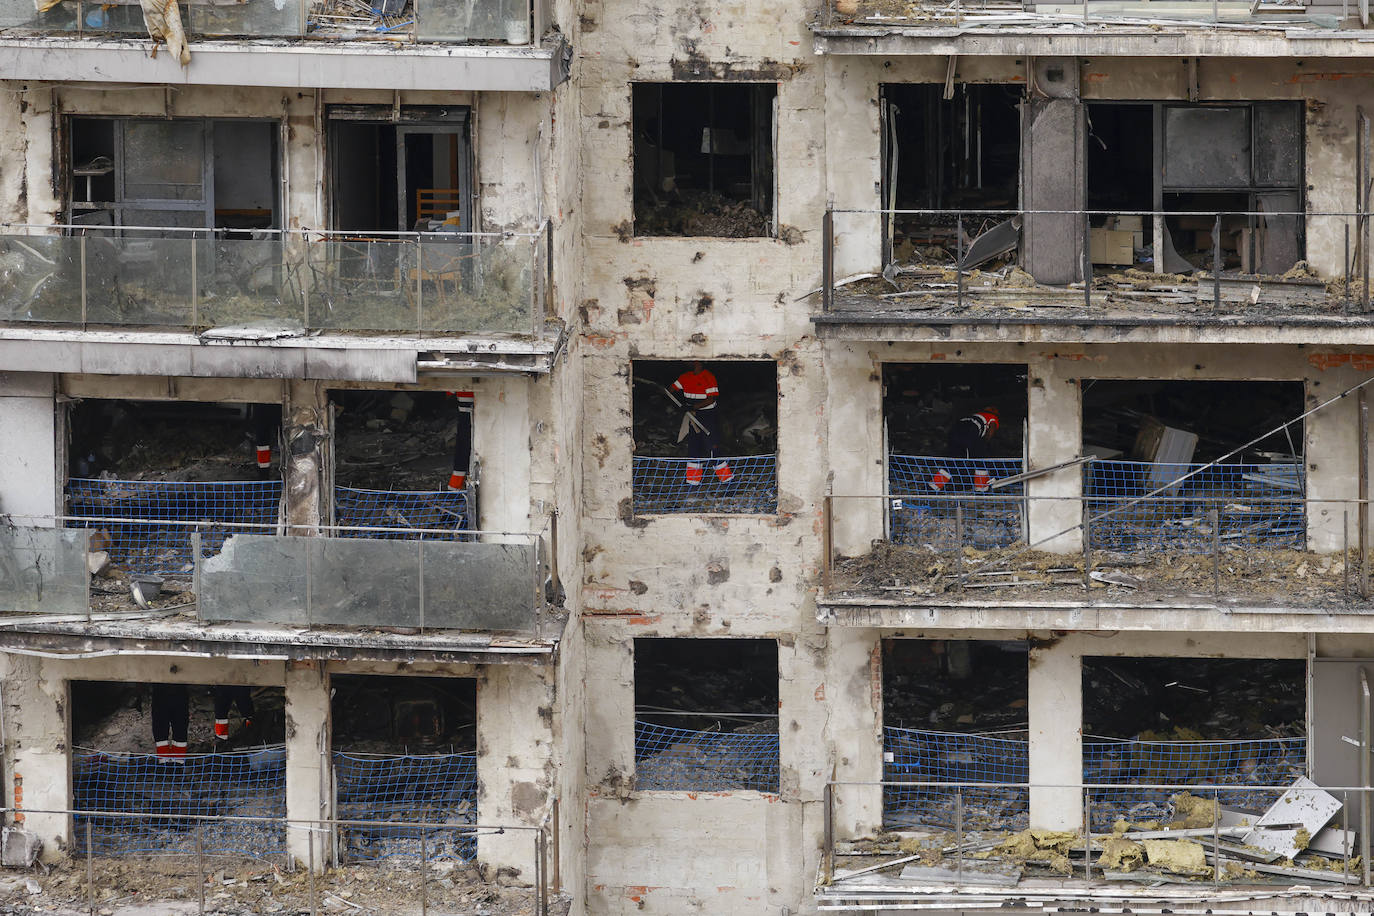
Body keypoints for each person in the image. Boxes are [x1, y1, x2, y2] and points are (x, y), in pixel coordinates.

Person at [672, 362, 733, 485]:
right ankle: (692, 482)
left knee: (712, 448)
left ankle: (728, 481)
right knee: (694, 448)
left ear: (699, 362)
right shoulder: (684, 377)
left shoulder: (708, 377)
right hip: (692, 416)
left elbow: (711, 399)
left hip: (708, 416)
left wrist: (692, 407)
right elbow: (671, 390)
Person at [929, 406, 1000, 493]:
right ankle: (981, 489)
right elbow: (989, 434)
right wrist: (984, 446)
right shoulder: (993, 418)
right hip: (970, 432)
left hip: (954, 431)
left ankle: (933, 487)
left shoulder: (973, 416)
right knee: (981, 460)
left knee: (954, 462)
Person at [150, 683, 189, 761]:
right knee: (161, 728)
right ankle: (166, 761)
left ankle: (177, 762)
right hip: (162, 690)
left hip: (176, 691)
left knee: (180, 728)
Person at [447, 390, 474, 490]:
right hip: (471, 412)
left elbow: (449, 393)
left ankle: (455, 486)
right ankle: (456, 485)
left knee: (463, 447)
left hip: (466, 413)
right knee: (465, 447)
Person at [250, 403, 282, 478]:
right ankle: (264, 474)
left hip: (262, 405)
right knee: (264, 444)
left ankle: (263, 474)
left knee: (263, 443)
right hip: (276, 406)